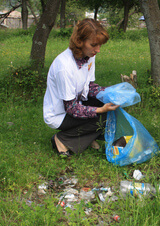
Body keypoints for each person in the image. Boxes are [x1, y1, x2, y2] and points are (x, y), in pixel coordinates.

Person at [43, 19, 119, 158]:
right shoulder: (64, 67)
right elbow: (71, 108)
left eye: (100, 45)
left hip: (77, 103)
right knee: (103, 117)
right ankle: (62, 139)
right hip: (60, 114)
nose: (97, 50)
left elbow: (88, 87)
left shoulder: (89, 56)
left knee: (113, 104)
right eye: (93, 45)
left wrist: (110, 93)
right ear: (79, 41)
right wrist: (100, 109)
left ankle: (87, 137)